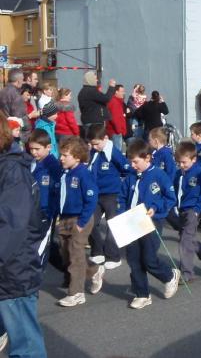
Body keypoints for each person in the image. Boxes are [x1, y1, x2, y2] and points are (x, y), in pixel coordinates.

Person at [0, 112, 48, 357]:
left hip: (12, 273)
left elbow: (13, 225)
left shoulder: (11, 171)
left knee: (26, 348)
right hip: (9, 271)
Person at [118, 139, 180, 309]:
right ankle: (142, 294)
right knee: (134, 260)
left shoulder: (159, 175)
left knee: (149, 258)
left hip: (151, 221)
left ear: (147, 159)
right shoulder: (131, 177)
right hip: (131, 221)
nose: (132, 165)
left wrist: (155, 208)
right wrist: (121, 214)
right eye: (130, 161)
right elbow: (122, 197)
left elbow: (170, 197)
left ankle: (169, 275)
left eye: (136, 161)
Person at [56, 136, 104, 306]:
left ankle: (76, 293)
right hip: (65, 218)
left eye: (65, 155)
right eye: (61, 154)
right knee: (66, 253)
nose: (61, 158)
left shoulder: (83, 174)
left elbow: (91, 199)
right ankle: (94, 269)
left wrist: (81, 222)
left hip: (80, 218)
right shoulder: (65, 173)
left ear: (77, 157)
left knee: (76, 255)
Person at [87, 124, 131, 269]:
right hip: (96, 195)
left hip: (112, 194)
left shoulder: (113, 152)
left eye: (97, 144)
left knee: (113, 225)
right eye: (92, 144)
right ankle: (97, 250)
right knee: (89, 222)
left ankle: (113, 256)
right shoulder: (94, 154)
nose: (94, 147)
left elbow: (126, 168)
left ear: (105, 138)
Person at [171, 142, 201, 283]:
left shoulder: (200, 173)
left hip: (193, 210)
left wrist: (197, 210)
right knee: (188, 240)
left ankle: (187, 273)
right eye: (179, 162)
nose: (181, 165)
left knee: (185, 241)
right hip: (181, 210)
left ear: (193, 159)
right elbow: (176, 191)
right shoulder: (179, 174)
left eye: (184, 162)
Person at [28, 129, 64, 272]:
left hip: (46, 211)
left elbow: (56, 192)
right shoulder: (32, 163)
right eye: (31, 149)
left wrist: (53, 212)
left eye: (37, 149)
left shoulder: (53, 166)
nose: (34, 152)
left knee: (42, 245)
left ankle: (37, 276)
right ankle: (78, 271)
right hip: (33, 210)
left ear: (48, 147)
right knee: (45, 245)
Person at [0, 69, 29, 140]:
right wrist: (25, 137)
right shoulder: (16, 95)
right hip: (15, 134)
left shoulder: (2, 91)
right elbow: (20, 118)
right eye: (22, 79)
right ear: (18, 81)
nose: (23, 82)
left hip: (4, 131)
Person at [106, 84, 127, 151]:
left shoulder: (117, 102)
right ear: (116, 92)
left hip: (115, 132)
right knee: (117, 152)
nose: (123, 93)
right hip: (115, 132)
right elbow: (115, 118)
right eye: (122, 91)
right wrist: (119, 131)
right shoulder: (114, 102)